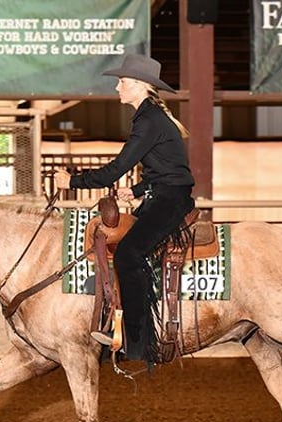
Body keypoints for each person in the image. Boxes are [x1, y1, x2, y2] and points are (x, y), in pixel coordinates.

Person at [54, 53, 195, 366]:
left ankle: (138, 341)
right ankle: (116, 325)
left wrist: (72, 181)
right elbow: (166, 168)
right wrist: (137, 190)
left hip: (170, 200)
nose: (117, 87)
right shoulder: (151, 117)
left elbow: (115, 169)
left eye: (123, 81)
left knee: (130, 253)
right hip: (163, 195)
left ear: (141, 86)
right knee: (122, 248)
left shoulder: (148, 121)